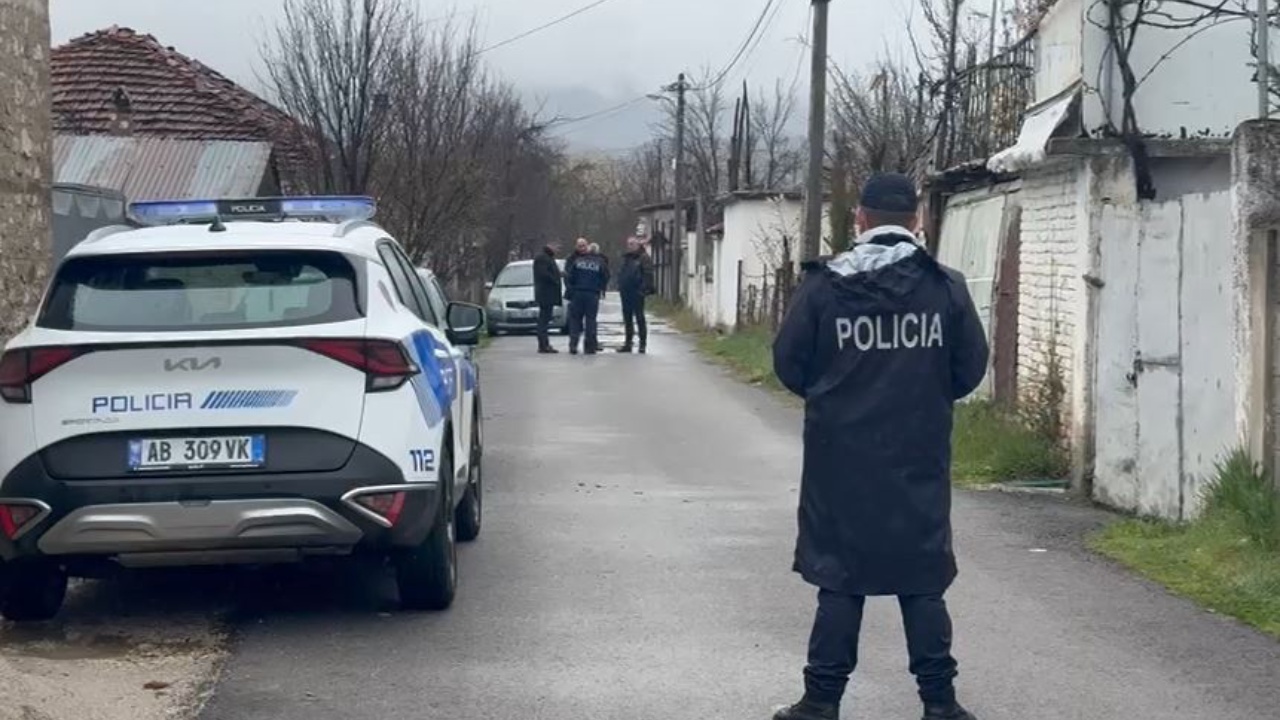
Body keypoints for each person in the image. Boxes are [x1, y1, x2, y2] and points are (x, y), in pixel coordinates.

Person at [769, 173, 989, 720]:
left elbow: (789, 363)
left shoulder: (824, 286)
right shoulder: (946, 287)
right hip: (918, 456)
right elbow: (969, 368)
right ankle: (940, 704)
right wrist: (922, 398)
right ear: (917, 221)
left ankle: (821, 702)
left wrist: (835, 399)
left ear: (860, 219)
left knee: (840, 579)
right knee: (922, 580)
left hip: (839, 460)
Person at [564, 237, 609, 355]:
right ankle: (589, 347)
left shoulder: (577, 261)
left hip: (578, 293)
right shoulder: (599, 262)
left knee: (575, 320)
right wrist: (600, 288)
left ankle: (573, 345)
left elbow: (569, 277)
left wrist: (571, 290)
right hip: (592, 294)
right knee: (591, 320)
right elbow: (605, 276)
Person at [616, 236, 655, 353]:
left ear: (638, 245)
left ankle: (642, 344)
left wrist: (643, 289)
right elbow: (622, 272)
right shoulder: (626, 258)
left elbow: (648, 274)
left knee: (639, 318)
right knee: (627, 318)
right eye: (629, 244)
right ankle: (628, 343)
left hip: (637, 292)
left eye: (632, 244)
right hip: (626, 292)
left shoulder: (644, 257)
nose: (630, 246)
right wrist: (620, 285)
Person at [533, 241, 563, 354]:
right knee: (543, 320)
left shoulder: (547, 257)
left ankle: (545, 344)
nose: (557, 250)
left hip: (547, 294)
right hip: (545, 294)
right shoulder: (542, 258)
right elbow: (544, 274)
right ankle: (543, 345)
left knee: (545, 319)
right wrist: (555, 279)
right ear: (551, 246)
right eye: (556, 247)